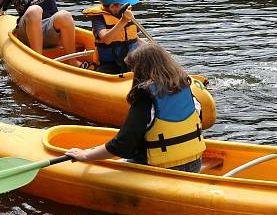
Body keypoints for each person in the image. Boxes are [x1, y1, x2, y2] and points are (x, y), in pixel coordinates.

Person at [65, 43, 205, 173]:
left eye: (133, 70)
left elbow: (122, 144)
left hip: (163, 170)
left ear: (141, 70)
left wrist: (85, 155)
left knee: (112, 165)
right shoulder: (186, 88)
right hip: (195, 164)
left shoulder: (146, 96)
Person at [82, 0, 146, 74]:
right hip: (110, 66)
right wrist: (123, 21)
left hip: (132, 62)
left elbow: (135, 39)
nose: (129, 6)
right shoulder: (98, 19)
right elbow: (106, 39)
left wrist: (154, 50)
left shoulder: (125, 14)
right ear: (113, 6)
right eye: (125, 4)